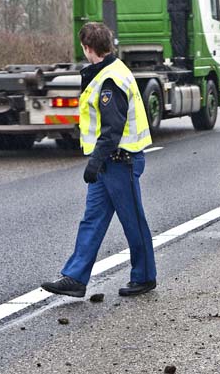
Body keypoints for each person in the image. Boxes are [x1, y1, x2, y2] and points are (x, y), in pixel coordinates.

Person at [41, 22, 156, 298]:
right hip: (109, 161)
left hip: (121, 161)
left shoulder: (110, 80)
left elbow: (112, 128)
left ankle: (144, 276)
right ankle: (75, 278)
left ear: (88, 48)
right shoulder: (107, 72)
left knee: (133, 221)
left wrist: (95, 161)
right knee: (91, 220)